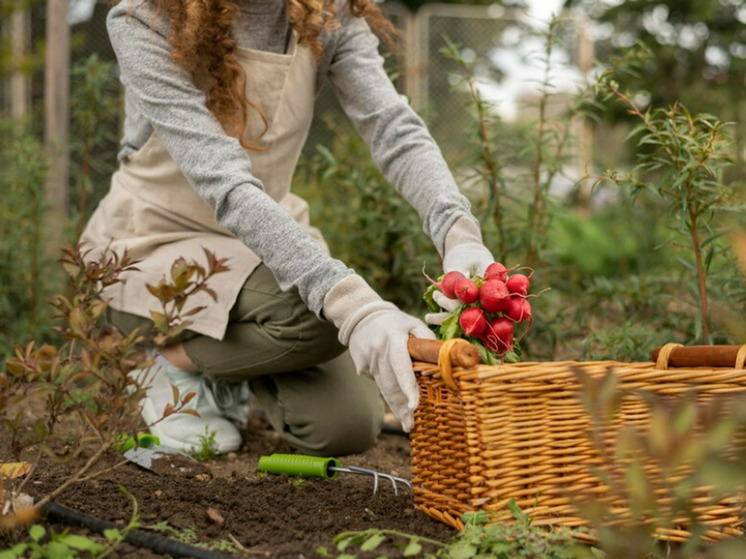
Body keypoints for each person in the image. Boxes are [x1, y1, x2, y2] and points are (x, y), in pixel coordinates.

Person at [80, 0, 495, 457]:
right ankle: (160, 363)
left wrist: (458, 233)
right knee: (319, 311)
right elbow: (226, 182)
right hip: (157, 241)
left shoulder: (327, 13)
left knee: (346, 427)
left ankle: (217, 368)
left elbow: (393, 127)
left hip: (263, 242)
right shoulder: (145, 19)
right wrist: (356, 307)